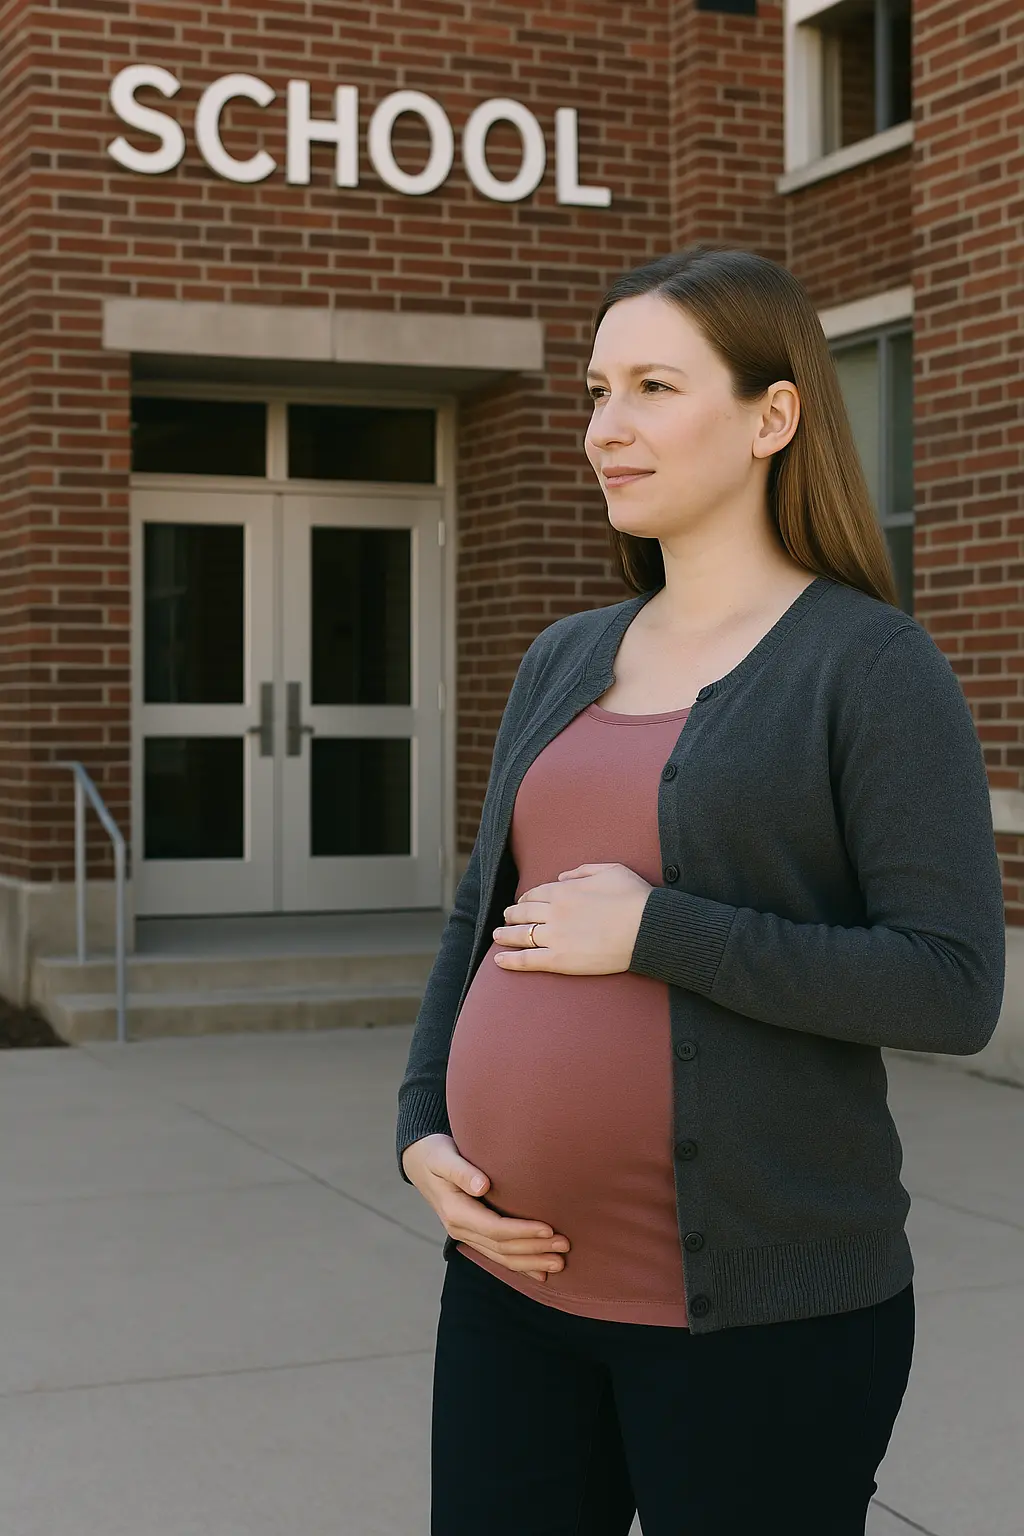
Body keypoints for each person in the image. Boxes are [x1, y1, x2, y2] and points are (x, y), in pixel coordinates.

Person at [395, 245, 1006, 1536]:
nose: (606, 430)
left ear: (773, 415)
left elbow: (952, 985)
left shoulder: (869, 667)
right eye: (597, 393)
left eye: (654, 388)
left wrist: (657, 932)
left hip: (757, 1326)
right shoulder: (566, 655)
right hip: (510, 1292)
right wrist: (419, 1129)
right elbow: (475, 917)